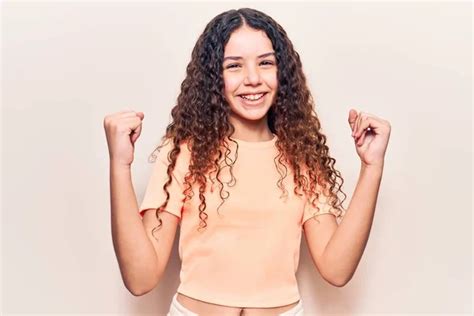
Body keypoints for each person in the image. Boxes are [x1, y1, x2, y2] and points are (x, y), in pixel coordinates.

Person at [103, 7, 391, 316]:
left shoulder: (301, 157)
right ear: (214, 77)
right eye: (234, 66)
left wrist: (371, 167)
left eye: (265, 63)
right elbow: (140, 277)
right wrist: (119, 165)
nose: (253, 79)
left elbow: (337, 269)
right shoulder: (183, 153)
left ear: (282, 73)